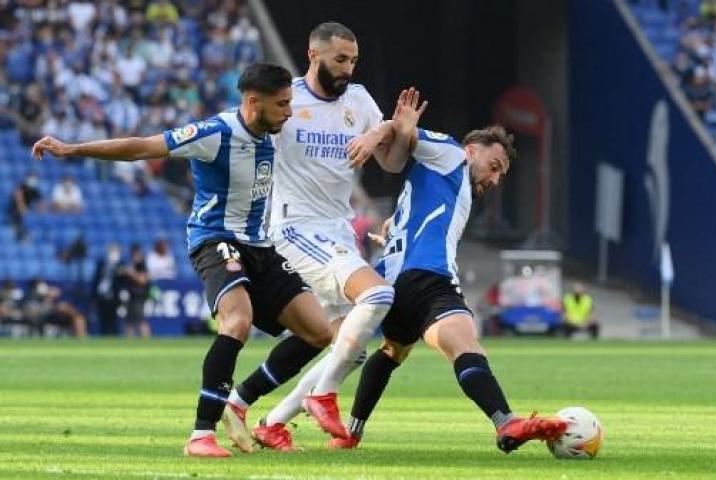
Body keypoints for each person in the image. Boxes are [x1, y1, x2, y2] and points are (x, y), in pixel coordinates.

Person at [31, 62, 334, 458]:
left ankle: (239, 402)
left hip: (261, 247)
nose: (289, 112)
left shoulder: (276, 131)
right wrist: (72, 148)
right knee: (237, 321)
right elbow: (141, 147)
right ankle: (201, 435)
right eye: (281, 105)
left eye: (290, 103)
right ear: (253, 102)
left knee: (319, 332)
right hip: (215, 240)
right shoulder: (213, 134)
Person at [328, 89, 567, 454]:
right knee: (466, 345)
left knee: (392, 350)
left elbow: (406, 214)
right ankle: (507, 422)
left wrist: (392, 231)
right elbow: (402, 130)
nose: (496, 178)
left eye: (502, 174)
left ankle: (351, 432)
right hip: (428, 278)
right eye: (495, 166)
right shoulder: (452, 154)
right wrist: (375, 134)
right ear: (473, 151)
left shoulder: (439, 184)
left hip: (394, 282)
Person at [224, 22, 398, 451]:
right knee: (377, 298)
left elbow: (391, 160)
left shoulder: (358, 101)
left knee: (346, 345)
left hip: (338, 230)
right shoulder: (288, 100)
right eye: (340, 59)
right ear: (313, 55)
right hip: (294, 227)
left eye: (354, 61)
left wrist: (381, 130)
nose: (348, 69)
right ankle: (323, 395)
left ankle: (261, 416)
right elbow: (248, 127)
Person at [92, 243, 124, 336]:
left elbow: (122, 282)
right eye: (111, 251)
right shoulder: (102, 264)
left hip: (114, 296)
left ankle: (114, 338)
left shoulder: (121, 265)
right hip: (101, 296)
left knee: (113, 320)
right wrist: (94, 296)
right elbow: (96, 280)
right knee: (102, 320)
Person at [121, 244, 152, 338]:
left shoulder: (142, 265)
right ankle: (128, 343)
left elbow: (143, 280)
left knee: (140, 321)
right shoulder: (132, 265)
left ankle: (147, 341)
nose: (134, 256)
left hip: (139, 296)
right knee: (129, 322)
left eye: (136, 254)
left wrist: (131, 273)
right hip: (131, 296)